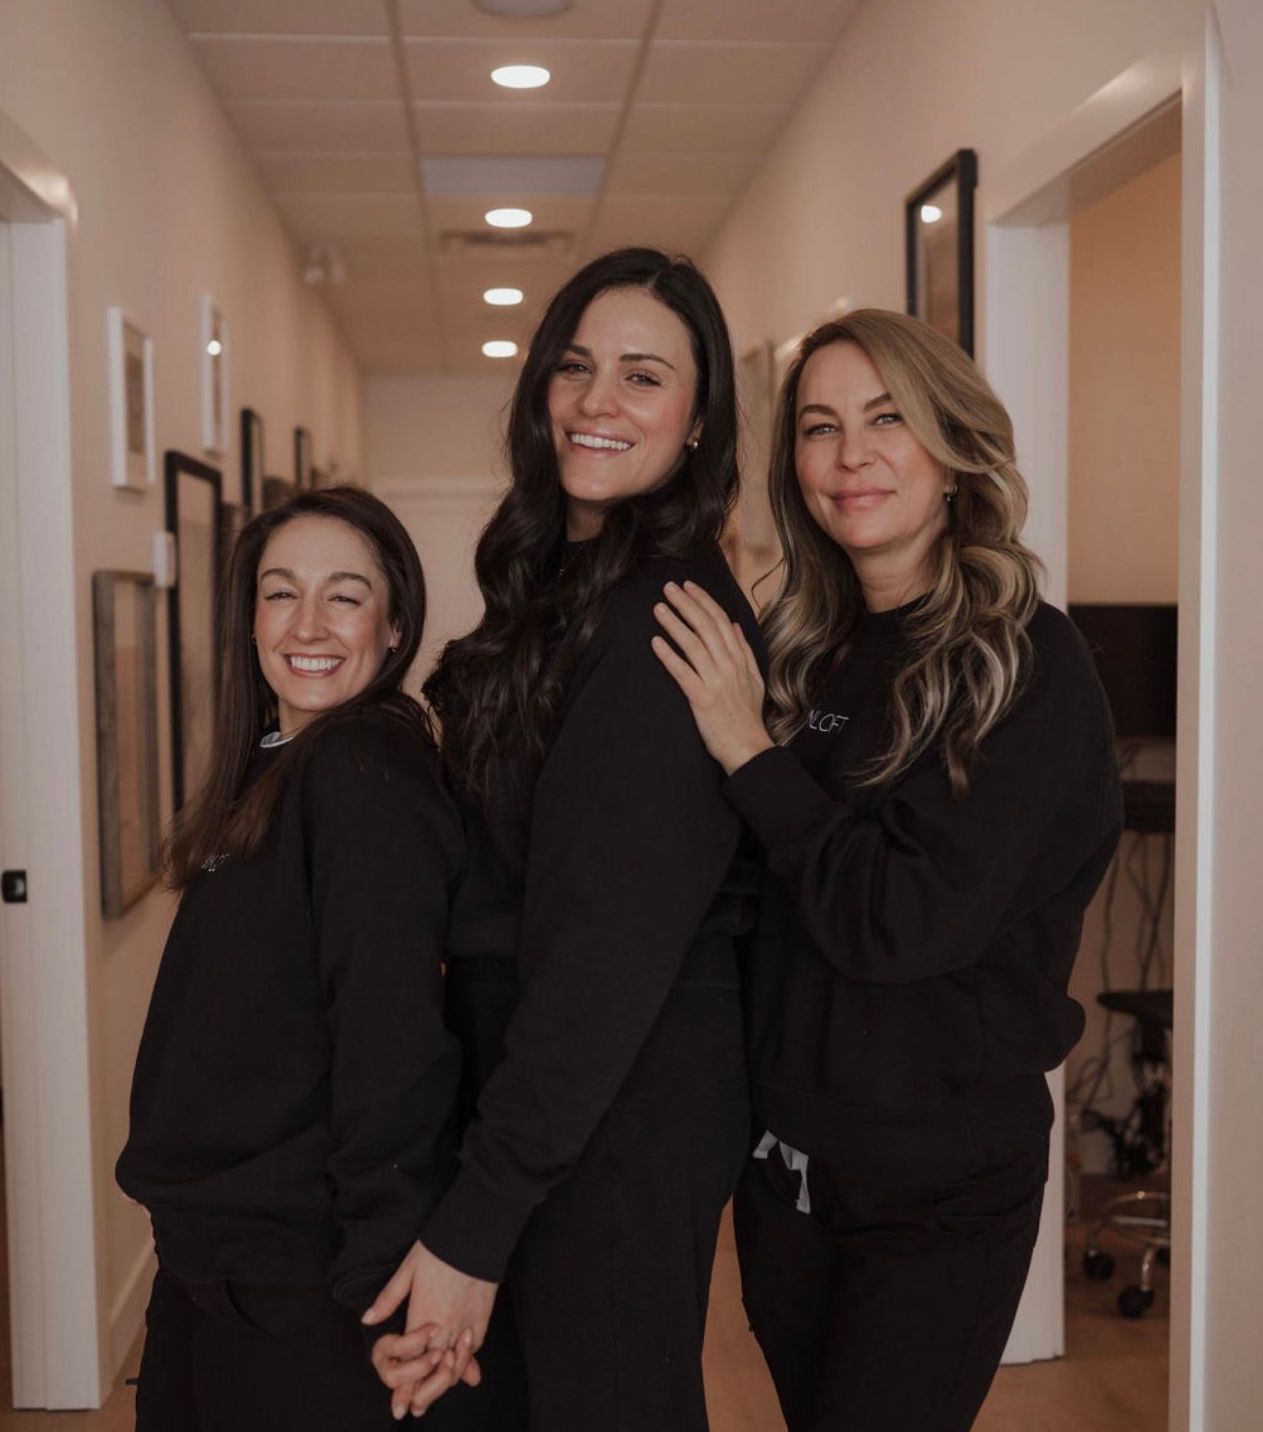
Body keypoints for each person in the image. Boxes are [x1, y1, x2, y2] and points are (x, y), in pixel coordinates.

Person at [650, 310, 1122, 1432]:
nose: (850, 454)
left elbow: (899, 920)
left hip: (938, 1189)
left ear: (953, 446)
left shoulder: (1027, 664)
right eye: (819, 427)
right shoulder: (808, 645)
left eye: (886, 418)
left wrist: (747, 751)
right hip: (789, 1175)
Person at [365, 248, 762, 1430]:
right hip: (554, 1087)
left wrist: (476, 1221)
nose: (599, 400)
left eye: (645, 376)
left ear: (699, 423)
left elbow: (604, 954)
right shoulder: (567, 577)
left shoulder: (664, 619)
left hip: (619, 1100)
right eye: (577, 366)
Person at [116, 487, 512, 1431]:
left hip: (298, 1276)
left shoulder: (361, 773)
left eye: (344, 595)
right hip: (219, 1259)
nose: (307, 625)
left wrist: (381, 1275)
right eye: (279, 592)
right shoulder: (281, 764)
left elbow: (392, 1038)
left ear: (395, 622)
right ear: (247, 616)